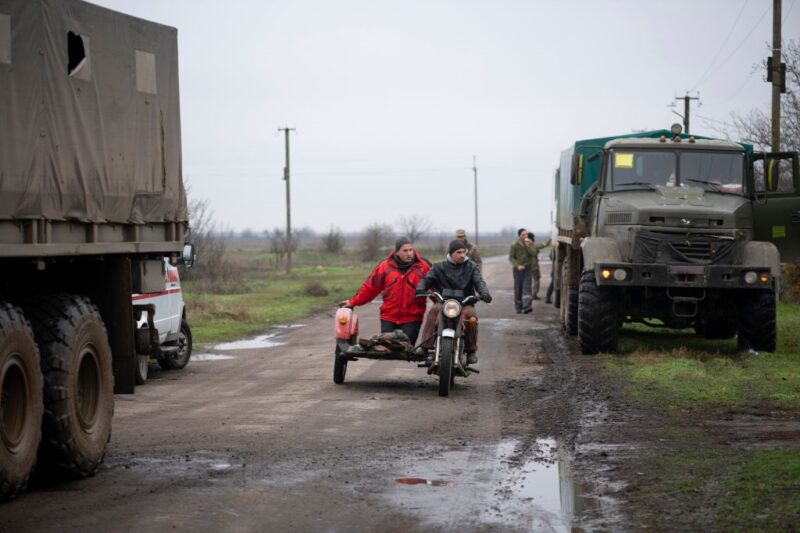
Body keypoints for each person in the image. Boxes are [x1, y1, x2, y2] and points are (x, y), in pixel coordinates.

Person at [414, 239, 492, 365]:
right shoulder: (439, 267)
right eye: (458, 252)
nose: (462, 255)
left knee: (471, 316)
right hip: (444, 302)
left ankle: (471, 351)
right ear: (450, 253)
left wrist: (484, 293)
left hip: (465, 303)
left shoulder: (471, 267)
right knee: (434, 311)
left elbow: (479, 282)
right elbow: (427, 278)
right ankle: (425, 347)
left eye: (463, 252)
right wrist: (420, 288)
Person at [340, 237, 431, 344]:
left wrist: (445, 304)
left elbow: (434, 288)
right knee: (388, 346)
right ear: (397, 252)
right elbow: (370, 289)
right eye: (405, 251)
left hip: (412, 317)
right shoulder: (385, 267)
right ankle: (380, 341)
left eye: (411, 250)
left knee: (406, 345)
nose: (409, 253)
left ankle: (384, 339)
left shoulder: (423, 267)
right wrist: (352, 302)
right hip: (389, 317)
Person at [509, 228, 536, 313]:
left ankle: (527, 306)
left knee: (527, 287)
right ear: (519, 236)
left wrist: (528, 247)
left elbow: (534, 253)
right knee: (518, 288)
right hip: (518, 270)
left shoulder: (530, 243)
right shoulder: (514, 245)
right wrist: (517, 265)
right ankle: (518, 307)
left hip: (527, 268)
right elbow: (511, 257)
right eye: (523, 235)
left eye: (526, 234)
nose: (525, 236)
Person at [526, 233, 551, 300]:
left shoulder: (524, 243)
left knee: (527, 280)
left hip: (527, 266)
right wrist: (549, 241)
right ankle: (534, 294)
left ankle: (527, 294)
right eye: (533, 237)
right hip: (533, 266)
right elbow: (542, 245)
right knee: (536, 279)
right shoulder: (532, 245)